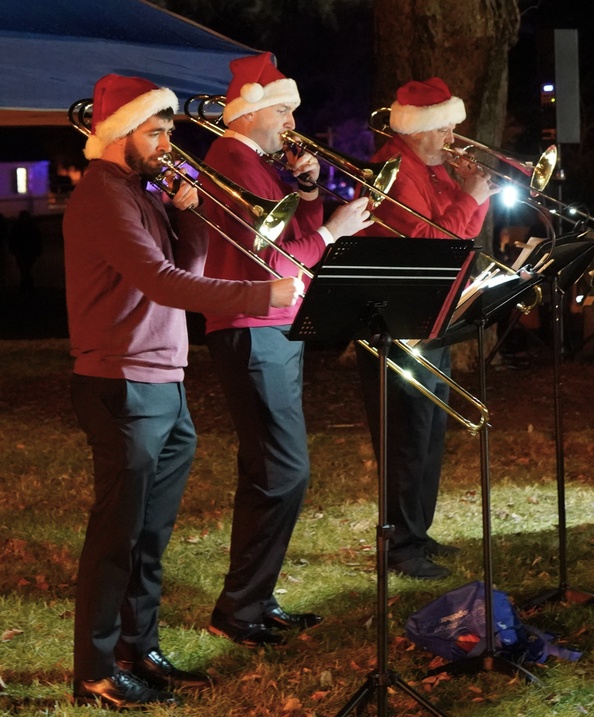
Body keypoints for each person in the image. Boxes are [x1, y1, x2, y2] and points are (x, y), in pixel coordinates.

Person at [63, 73, 302, 709]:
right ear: (119, 135)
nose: (169, 144)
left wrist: (186, 218)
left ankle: (139, 649)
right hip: (120, 382)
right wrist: (263, 295)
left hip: (162, 379)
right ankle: (94, 671)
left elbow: (185, 269)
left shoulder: (141, 194)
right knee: (117, 533)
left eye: (169, 131)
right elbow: (163, 283)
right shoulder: (103, 194)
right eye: (158, 132)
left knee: (149, 534)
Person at [197, 52, 372, 646]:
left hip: (274, 322)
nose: (292, 124)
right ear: (251, 112)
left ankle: (252, 599)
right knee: (285, 470)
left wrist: (309, 195)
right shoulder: (231, 160)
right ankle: (240, 607)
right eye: (284, 111)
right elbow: (271, 260)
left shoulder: (257, 162)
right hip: (251, 322)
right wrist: (333, 232)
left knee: (268, 472)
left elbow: (292, 239)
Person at [354, 77, 498, 579]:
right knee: (406, 433)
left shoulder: (434, 167)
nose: (455, 132)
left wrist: (471, 194)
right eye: (445, 126)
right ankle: (399, 545)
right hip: (398, 315)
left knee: (430, 428)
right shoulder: (394, 169)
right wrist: (471, 198)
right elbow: (422, 242)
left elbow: (463, 235)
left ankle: (416, 530)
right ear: (418, 128)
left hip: (434, 309)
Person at [9, 210, 43, 293]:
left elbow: (12, 240)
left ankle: (25, 285)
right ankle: (27, 285)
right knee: (26, 268)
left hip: (20, 251)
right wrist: (38, 251)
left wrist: (13, 250)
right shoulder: (33, 227)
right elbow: (37, 239)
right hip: (30, 251)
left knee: (23, 269)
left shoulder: (16, 227)